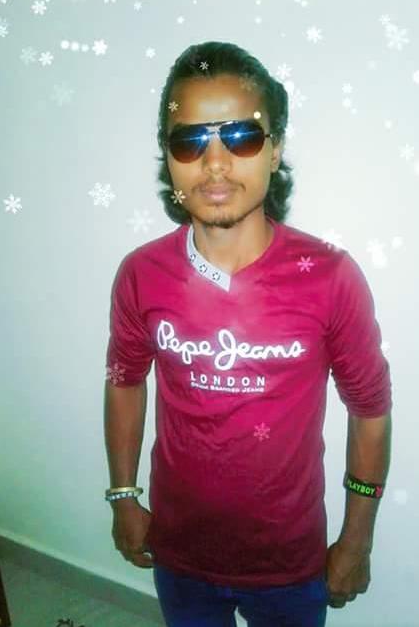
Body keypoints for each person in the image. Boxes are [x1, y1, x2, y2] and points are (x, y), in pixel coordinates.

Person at [104, 41, 392, 627]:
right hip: (179, 552)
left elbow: (370, 410)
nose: (214, 164)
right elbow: (124, 382)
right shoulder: (141, 273)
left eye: (240, 136)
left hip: (290, 564)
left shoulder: (330, 278)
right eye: (190, 141)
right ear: (169, 156)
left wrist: (357, 540)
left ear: (275, 147)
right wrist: (123, 495)